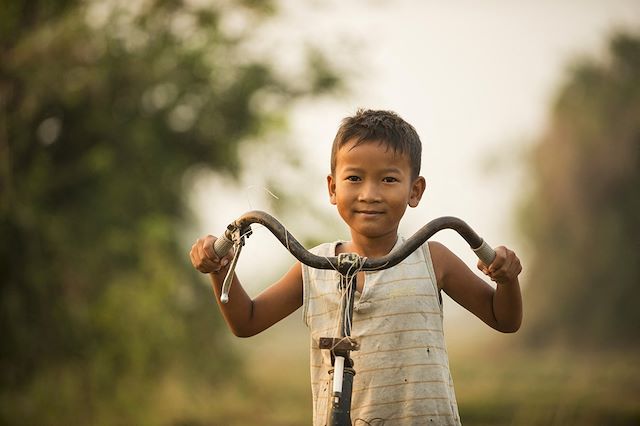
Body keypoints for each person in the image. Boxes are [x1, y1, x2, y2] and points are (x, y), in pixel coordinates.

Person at [190, 109, 523, 425]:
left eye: (389, 179)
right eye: (354, 178)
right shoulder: (314, 266)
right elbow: (246, 321)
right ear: (333, 188)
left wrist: (507, 280)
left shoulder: (432, 259)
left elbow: (504, 319)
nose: (369, 194)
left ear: (415, 190)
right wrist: (219, 269)